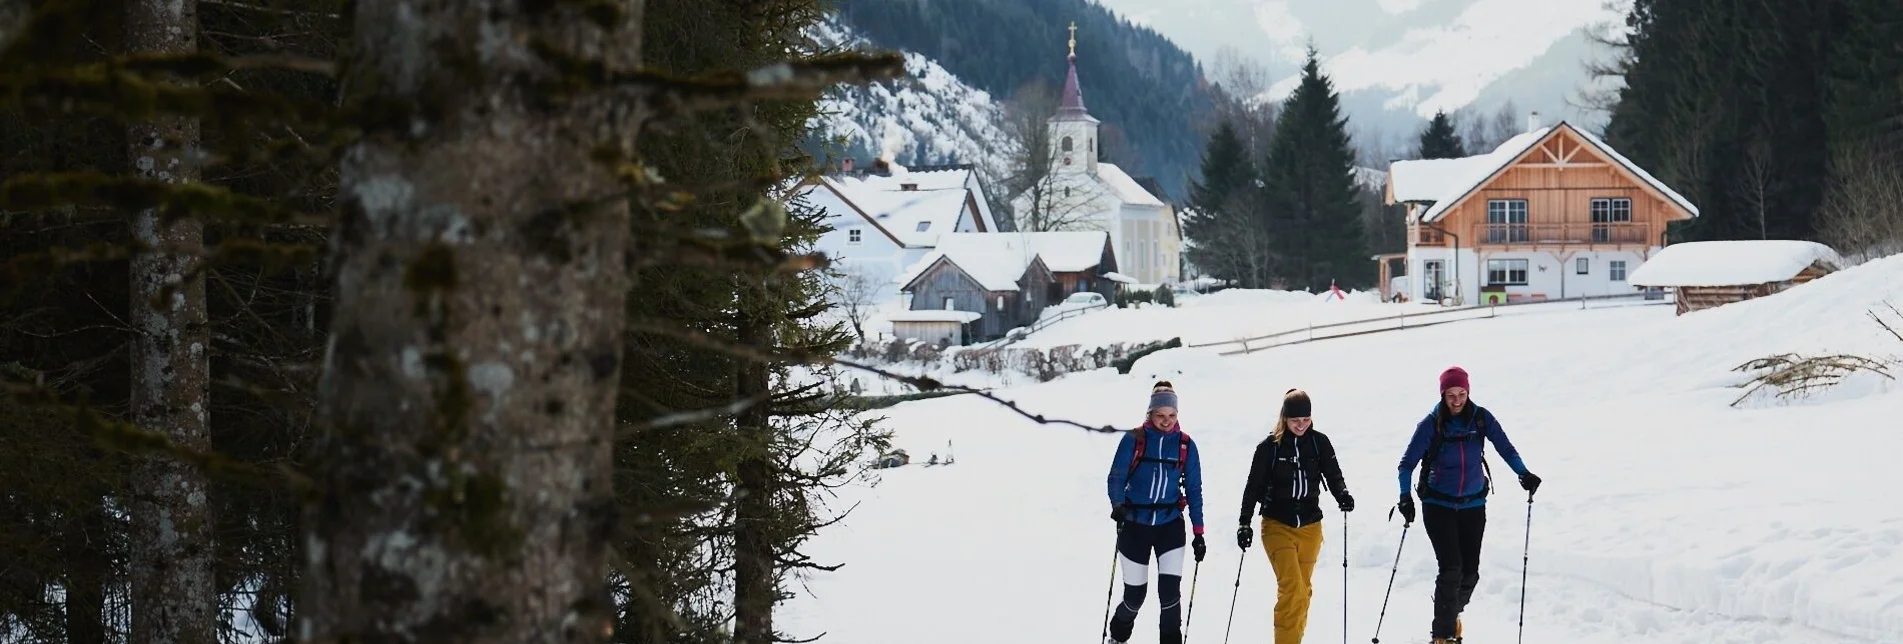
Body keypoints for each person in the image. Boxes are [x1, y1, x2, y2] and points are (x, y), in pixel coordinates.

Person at [1395, 366, 1543, 644]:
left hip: (1473, 504)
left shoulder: (1482, 419)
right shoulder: (1431, 424)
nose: (1456, 400)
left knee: (1470, 573)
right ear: (1443, 394)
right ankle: (1443, 636)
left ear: (1468, 392)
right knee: (1451, 568)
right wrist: (1405, 496)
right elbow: (1406, 464)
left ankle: (1450, 613)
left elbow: (1505, 448)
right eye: (1450, 395)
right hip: (1438, 504)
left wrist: (1523, 473)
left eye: (1461, 393)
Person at [1236, 388, 1354, 644]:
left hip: (1311, 526)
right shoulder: (1269, 448)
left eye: (1306, 419)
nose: (1301, 425)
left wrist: (1342, 494)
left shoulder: (1318, 442)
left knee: (1303, 591)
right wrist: (1244, 522)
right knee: (1292, 588)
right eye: (1295, 420)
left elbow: (1333, 474)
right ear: (1285, 419)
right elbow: (1253, 487)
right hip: (1277, 524)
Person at [1105, 381, 1206, 644]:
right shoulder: (1134, 439)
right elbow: (1115, 477)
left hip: (1170, 526)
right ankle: (1118, 636)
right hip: (1135, 525)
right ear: (1150, 413)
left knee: (1170, 595)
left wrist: (1198, 532)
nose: (1166, 421)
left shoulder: (1185, 445)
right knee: (1135, 596)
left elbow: (1194, 490)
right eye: (1160, 415)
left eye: (1172, 416)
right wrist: (1117, 505)